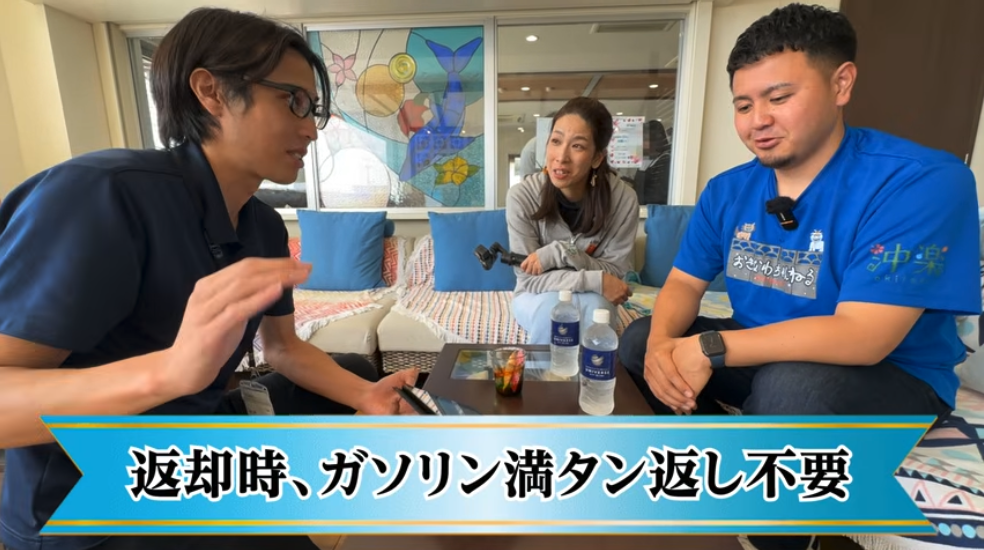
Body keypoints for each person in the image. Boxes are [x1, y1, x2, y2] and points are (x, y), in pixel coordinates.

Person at [0, 8, 418, 550]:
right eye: (293, 101)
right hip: (88, 501)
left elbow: (283, 348)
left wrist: (368, 395)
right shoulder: (99, 196)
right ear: (211, 92)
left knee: (354, 374)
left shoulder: (262, 224)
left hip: (193, 448)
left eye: (313, 109)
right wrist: (170, 371)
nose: (310, 128)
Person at [617, 4, 980, 550]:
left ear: (841, 83)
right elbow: (685, 285)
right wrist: (664, 349)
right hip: (762, 355)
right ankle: (723, 466)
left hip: (890, 375)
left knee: (793, 387)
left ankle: (775, 535)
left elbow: (864, 335)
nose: (757, 120)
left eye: (779, 98)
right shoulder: (728, 189)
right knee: (640, 339)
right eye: (743, 105)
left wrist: (709, 348)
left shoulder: (920, 181)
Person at [508, 97, 638, 345]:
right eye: (556, 141)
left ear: (597, 158)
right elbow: (529, 278)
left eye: (577, 146)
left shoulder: (623, 199)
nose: (561, 157)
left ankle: (595, 372)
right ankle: (544, 374)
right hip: (536, 295)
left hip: (595, 296)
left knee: (595, 310)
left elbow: (614, 275)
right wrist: (594, 279)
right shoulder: (522, 196)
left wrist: (560, 254)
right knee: (551, 312)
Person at [632, 119, 671, 205]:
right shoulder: (647, 160)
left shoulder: (665, 161)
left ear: (655, 141)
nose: (640, 144)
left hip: (654, 210)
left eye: (644, 140)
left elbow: (657, 195)